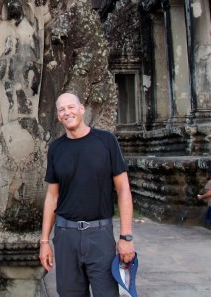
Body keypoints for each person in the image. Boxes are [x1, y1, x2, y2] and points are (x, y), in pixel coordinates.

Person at [39, 92, 136, 296]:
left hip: (100, 234)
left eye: (71, 107)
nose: (67, 112)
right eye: (62, 109)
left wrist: (126, 237)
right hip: (66, 235)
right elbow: (52, 196)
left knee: (107, 293)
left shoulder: (106, 141)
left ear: (82, 109)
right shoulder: (56, 149)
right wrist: (44, 241)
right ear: (58, 116)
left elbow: (123, 189)